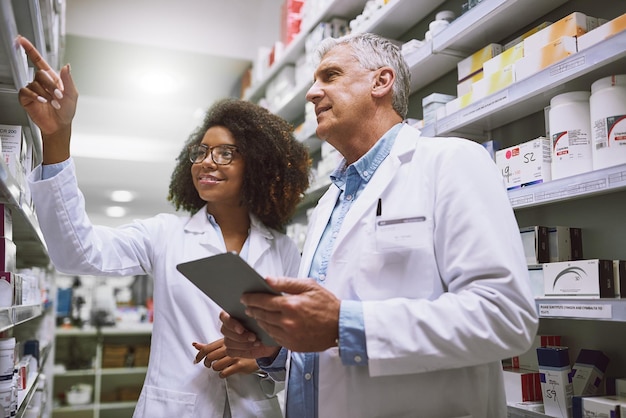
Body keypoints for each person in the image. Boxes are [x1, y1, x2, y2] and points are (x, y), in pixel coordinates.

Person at [219, 32, 540, 417]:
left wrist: (344, 325)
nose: (312, 93)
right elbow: (327, 347)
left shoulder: (451, 163)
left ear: (381, 82)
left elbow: (506, 318)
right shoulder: (329, 203)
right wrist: (275, 347)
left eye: (330, 76)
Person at [16, 35, 310, 418]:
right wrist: (57, 136)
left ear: (257, 165)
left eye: (225, 153)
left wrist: (260, 358)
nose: (207, 161)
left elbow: (299, 349)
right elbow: (76, 253)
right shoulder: (165, 235)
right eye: (201, 151)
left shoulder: (283, 250)